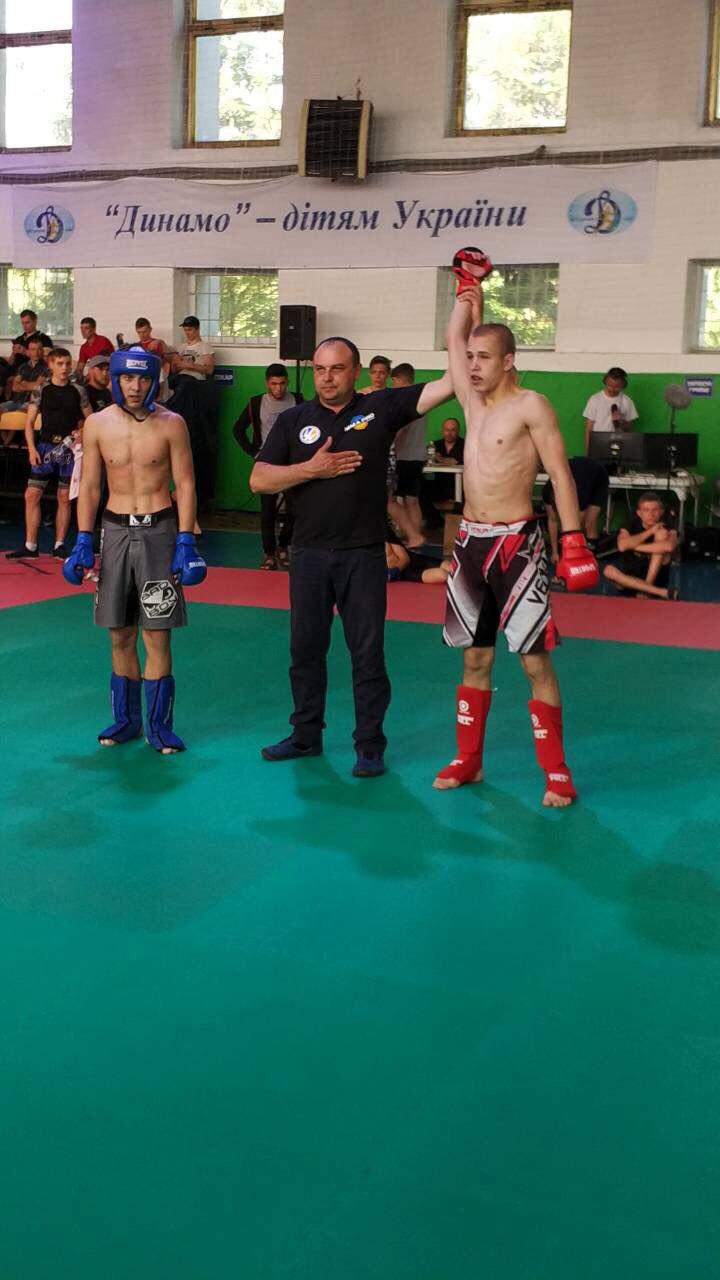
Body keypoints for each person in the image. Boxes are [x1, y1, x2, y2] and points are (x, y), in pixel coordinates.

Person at [434, 249, 598, 807]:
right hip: (470, 546)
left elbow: (560, 474)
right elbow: (453, 338)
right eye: (471, 357)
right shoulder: (471, 402)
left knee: (533, 661)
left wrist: (572, 539)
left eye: (484, 357)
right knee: (474, 658)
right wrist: (466, 290)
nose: (473, 365)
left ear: (509, 360)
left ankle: (555, 770)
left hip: (518, 546)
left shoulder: (532, 406)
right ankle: (468, 760)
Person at [249, 336, 455, 776]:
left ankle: (369, 746)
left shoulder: (380, 407)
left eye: (337, 369)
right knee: (305, 650)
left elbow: (450, 383)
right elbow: (259, 479)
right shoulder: (293, 419)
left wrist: (464, 316)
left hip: (362, 555)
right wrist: (310, 469)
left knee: (367, 654)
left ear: (356, 371)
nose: (327, 378)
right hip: (308, 554)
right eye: (320, 369)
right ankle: (305, 736)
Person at [62, 347, 207, 753]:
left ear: (153, 381)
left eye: (143, 378)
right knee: (119, 631)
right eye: (128, 378)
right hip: (114, 533)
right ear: (115, 379)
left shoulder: (172, 424)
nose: (135, 386)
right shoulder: (97, 424)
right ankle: (126, 719)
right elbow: (90, 486)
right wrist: (83, 538)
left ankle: (158, 727)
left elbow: (186, 484)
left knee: (157, 633)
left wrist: (186, 539)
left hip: (159, 532)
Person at [5, 347, 92, 560]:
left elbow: (91, 419)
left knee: (64, 497)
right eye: (60, 364)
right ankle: (30, 545)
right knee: (32, 494)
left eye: (67, 364)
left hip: (68, 450)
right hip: (44, 448)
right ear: (51, 365)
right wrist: (31, 449)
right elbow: (29, 422)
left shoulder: (78, 391)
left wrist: (81, 432)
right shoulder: (41, 390)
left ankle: (59, 545)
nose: (64, 368)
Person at [233, 363, 303, 568]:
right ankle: (269, 553)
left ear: (287, 382)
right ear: (267, 383)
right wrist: (254, 453)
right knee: (268, 511)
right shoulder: (256, 403)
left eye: (282, 383)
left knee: (295, 508)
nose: (278, 388)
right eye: (274, 384)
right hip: (267, 461)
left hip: (291, 462)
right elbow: (238, 430)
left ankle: (283, 547)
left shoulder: (298, 400)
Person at [602, 492, 678, 599]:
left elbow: (669, 547)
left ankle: (647, 588)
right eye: (646, 510)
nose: (651, 514)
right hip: (630, 580)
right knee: (608, 570)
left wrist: (633, 545)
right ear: (639, 513)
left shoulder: (667, 526)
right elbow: (622, 546)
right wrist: (650, 531)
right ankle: (656, 591)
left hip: (656, 580)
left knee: (661, 534)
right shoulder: (630, 524)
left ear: (661, 512)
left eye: (655, 510)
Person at [387, 363, 428, 548]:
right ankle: (415, 535)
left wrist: (390, 448)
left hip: (403, 456)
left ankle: (413, 536)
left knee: (393, 500)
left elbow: (401, 431)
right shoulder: (422, 400)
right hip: (418, 455)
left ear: (399, 380)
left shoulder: (405, 400)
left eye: (393, 381)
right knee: (412, 499)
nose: (393, 385)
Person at [543, 454, 609, 561]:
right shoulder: (546, 492)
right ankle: (569, 554)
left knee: (588, 523)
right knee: (566, 528)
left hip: (598, 476)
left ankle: (591, 559)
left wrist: (566, 541)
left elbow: (577, 526)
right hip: (577, 474)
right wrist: (555, 552)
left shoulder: (577, 493)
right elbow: (552, 520)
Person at [0, 335, 48, 443]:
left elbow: (38, 387)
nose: (36, 352)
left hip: (32, 403)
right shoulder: (22, 367)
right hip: (16, 400)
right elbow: (14, 387)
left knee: (19, 412)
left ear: (42, 351)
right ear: (28, 352)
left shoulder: (46, 368)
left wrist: (24, 384)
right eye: (33, 349)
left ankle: (7, 443)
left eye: (39, 349)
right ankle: (5, 442)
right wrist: (30, 385)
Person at [583, 367, 638, 454]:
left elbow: (629, 428)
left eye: (616, 387)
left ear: (623, 385)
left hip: (619, 445)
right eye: (609, 386)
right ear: (605, 381)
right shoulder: (595, 399)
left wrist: (621, 421)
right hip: (598, 443)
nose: (612, 389)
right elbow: (588, 428)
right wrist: (588, 451)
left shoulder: (627, 401)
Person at [385, 535, 452, 584]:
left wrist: (394, 571)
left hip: (412, 561)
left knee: (449, 567)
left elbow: (405, 559)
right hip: (404, 574)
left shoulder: (384, 532)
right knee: (442, 575)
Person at [170, 316, 215, 386]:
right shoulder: (181, 347)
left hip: (195, 381)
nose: (187, 333)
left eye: (189, 330)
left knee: (184, 382)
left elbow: (209, 370)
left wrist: (192, 366)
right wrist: (174, 364)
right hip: (180, 378)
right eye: (185, 330)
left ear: (197, 329)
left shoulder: (205, 347)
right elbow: (174, 371)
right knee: (170, 381)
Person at [8, 309, 52, 375]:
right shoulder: (19, 339)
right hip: (14, 372)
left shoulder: (44, 338)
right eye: (22, 323)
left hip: (31, 372)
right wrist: (13, 354)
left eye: (27, 323)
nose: (24, 326)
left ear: (35, 322)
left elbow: (47, 360)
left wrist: (24, 351)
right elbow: (10, 363)